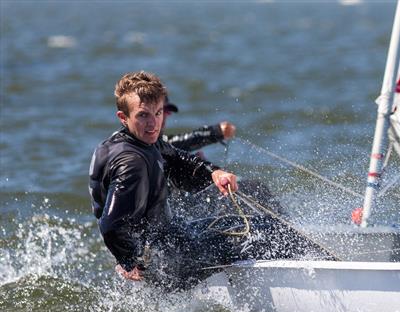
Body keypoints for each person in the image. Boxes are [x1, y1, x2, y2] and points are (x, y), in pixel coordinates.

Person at [89, 71, 322, 290]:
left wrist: (214, 172)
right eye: (143, 115)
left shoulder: (133, 141)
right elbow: (111, 223)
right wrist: (130, 262)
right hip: (168, 260)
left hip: (172, 239)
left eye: (158, 113)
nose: (153, 123)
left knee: (245, 223)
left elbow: (176, 156)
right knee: (268, 231)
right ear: (123, 117)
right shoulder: (131, 163)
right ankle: (325, 275)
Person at [160, 97, 236, 154]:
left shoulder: (162, 143)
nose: (165, 115)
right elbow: (173, 144)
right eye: (160, 111)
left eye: (167, 111)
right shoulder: (155, 146)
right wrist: (214, 131)